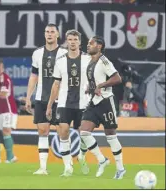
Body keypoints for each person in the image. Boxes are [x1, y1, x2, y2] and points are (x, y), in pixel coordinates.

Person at [46, 29, 90, 176]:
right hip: (64, 102)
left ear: (80, 42)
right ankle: (67, 167)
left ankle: (82, 157)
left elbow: (95, 78)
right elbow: (55, 84)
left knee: (83, 134)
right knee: (63, 131)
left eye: (75, 40)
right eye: (70, 39)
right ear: (67, 41)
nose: (72, 42)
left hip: (83, 103)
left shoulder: (88, 59)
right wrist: (50, 105)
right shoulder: (60, 61)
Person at [80, 36, 126, 179]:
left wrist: (101, 85)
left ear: (99, 46)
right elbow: (95, 80)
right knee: (84, 133)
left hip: (106, 102)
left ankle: (120, 168)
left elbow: (117, 78)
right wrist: (91, 87)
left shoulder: (104, 61)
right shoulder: (90, 61)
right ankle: (102, 160)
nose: (88, 45)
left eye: (91, 43)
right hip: (94, 102)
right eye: (88, 43)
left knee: (111, 136)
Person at [25, 23, 68, 175]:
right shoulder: (37, 53)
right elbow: (34, 76)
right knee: (43, 131)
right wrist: (28, 96)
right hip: (41, 98)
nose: (49, 34)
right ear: (44, 34)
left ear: (57, 34)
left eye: (52, 32)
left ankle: (67, 167)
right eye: (47, 32)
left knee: (63, 132)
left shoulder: (65, 52)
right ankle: (43, 168)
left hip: (61, 99)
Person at [0, 58, 18, 163]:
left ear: (0, 66)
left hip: (6, 110)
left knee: (6, 132)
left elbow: (3, 95)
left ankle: (10, 157)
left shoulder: (5, 78)